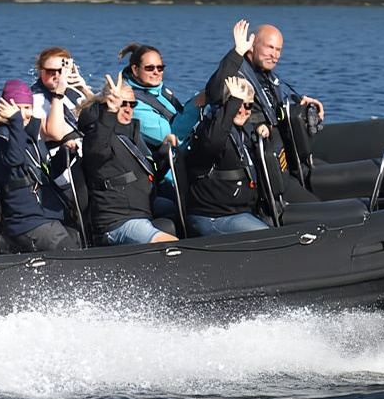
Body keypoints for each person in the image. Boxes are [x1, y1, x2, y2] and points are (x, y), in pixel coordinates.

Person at [205, 19, 323, 202]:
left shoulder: (266, 76)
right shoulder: (237, 72)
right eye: (270, 48)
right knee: (316, 206)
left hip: (282, 160)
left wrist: (303, 108)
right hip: (260, 169)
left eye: (278, 50)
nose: (275, 55)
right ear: (252, 45)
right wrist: (237, 52)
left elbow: (274, 110)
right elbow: (214, 92)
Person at [0, 79, 81, 252]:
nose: (24, 114)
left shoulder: (30, 136)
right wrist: (16, 122)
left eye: (27, 107)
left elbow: (47, 171)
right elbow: (15, 160)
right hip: (24, 221)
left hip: (46, 213)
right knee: (66, 246)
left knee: (77, 236)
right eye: (18, 108)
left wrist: (65, 152)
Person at [80, 74, 176, 245]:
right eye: (122, 104)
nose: (128, 109)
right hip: (117, 220)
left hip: (141, 208)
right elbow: (97, 153)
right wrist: (110, 112)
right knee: (170, 244)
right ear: (107, 104)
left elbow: (149, 174)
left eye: (132, 104)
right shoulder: (97, 133)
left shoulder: (131, 133)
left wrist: (163, 154)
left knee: (174, 209)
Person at [119, 42, 202, 218]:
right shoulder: (132, 102)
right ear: (135, 70)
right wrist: (198, 104)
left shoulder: (160, 91)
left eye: (160, 67)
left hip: (183, 165)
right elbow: (170, 134)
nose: (156, 72)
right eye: (150, 68)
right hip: (162, 175)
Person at [184, 76, 269, 236]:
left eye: (248, 105)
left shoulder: (242, 131)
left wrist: (259, 126)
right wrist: (232, 103)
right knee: (265, 235)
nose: (243, 110)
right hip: (213, 216)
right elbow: (214, 143)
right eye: (237, 104)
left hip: (240, 211)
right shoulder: (209, 131)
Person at [30, 47, 93, 152]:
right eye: (51, 72)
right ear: (41, 72)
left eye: (61, 71)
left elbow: (100, 114)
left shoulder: (73, 91)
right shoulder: (36, 99)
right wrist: (58, 95)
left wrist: (84, 89)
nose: (57, 76)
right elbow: (55, 134)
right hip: (61, 155)